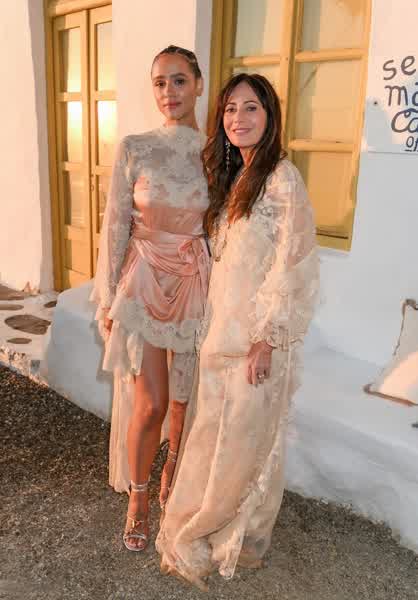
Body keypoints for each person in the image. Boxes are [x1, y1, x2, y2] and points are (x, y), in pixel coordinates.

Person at [156, 73, 319, 589]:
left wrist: (265, 340)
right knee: (215, 438)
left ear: (270, 116)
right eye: (230, 109)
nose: (238, 118)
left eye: (251, 108)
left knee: (248, 444)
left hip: (257, 342)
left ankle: (239, 538)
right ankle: (224, 531)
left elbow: (293, 264)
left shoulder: (282, 178)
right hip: (219, 335)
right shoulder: (235, 179)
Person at [90, 46, 210, 552]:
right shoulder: (135, 147)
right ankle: (138, 499)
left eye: (179, 80)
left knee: (184, 404)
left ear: (198, 84)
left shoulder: (217, 151)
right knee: (151, 403)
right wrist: (107, 298)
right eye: (160, 82)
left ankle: (173, 478)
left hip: (195, 281)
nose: (169, 92)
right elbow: (116, 223)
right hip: (142, 281)